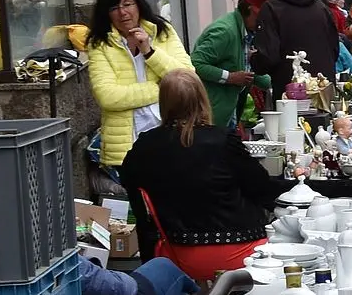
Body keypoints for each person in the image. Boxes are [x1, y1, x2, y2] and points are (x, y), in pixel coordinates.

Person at [117, 69, 274, 282]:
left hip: (178, 252)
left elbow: (130, 184)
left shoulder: (145, 146)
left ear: (164, 103)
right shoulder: (223, 140)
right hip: (240, 251)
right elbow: (262, 188)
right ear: (202, 98)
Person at [86, 0, 194, 168]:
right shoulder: (100, 44)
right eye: (114, 8)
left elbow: (188, 78)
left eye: (127, 4)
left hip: (170, 134)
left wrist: (149, 52)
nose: (122, 12)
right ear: (106, 13)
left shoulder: (161, 32)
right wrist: (161, 89)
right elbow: (107, 97)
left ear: (138, 4)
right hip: (126, 145)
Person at [251, 0, 340, 85]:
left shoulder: (270, 9)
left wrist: (254, 59)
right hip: (323, 83)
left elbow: (268, 57)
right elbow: (334, 46)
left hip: (291, 88)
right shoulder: (318, 5)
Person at [189, 0, 266, 130]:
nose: (263, 23)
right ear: (251, 10)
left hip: (227, 112)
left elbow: (249, 74)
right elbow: (195, 63)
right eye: (262, 17)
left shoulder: (245, 30)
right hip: (211, 116)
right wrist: (230, 77)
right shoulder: (225, 31)